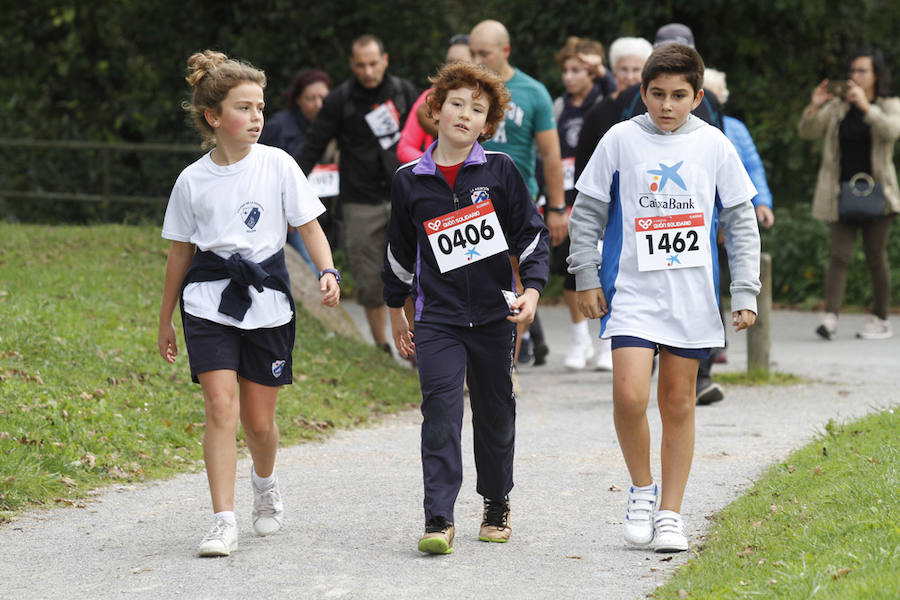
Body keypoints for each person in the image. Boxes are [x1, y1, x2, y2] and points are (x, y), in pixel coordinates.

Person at [568, 44, 760, 553]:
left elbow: (741, 221)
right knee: (629, 395)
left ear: (698, 96)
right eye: (656, 94)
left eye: (679, 95)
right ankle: (641, 489)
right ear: (641, 93)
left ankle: (671, 513)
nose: (667, 105)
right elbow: (586, 212)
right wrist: (584, 274)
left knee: (677, 403)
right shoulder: (619, 139)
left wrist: (745, 289)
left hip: (692, 298)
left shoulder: (715, 145)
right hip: (633, 293)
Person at [157, 50, 341, 557]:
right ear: (214, 117)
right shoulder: (191, 180)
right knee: (220, 407)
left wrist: (328, 270)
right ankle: (222, 520)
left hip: (267, 302)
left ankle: (265, 483)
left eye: (260, 107)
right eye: (244, 108)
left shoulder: (279, 165)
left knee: (259, 423)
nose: (257, 117)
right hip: (207, 301)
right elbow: (180, 252)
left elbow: (308, 227)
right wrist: (165, 319)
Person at [383, 62, 549, 554]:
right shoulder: (410, 180)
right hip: (438, 319)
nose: (464, 114)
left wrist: (534, 292)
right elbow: (396, 252)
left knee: (496, 412)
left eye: (477, 110)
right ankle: (438, 519)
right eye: (456, 103)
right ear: (434, 109)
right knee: (440, 411)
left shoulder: (500, 170)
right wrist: (398, 311)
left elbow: (532, 235)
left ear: (487, 125)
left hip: (495, 319)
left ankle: (496, 502)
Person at [297, 34, 418, 353]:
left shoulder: (404, 93)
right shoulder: (340, 99)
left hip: (405, 196)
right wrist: (288, 187)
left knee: (414, 274)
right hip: (359, 200)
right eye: (361, 65)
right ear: (352, 65)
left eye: (373, 63)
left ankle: (417, 347)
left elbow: (426, 139)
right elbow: (313, 145)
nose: (367, 71)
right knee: (369, 280)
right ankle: (381, 348)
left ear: (385, 60)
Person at [469, 19, 565, 367]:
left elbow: (551, 154)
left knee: (516, 274)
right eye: (473, 53)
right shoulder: (467, 91)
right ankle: (478, 355)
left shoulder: (532, 92)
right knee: (474, 276)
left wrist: (557, 207)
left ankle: (506, 356)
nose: (478, 60)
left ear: (505, 51)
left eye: (485, 53)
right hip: (470, 201)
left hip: (516, 201)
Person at [798, 48, 900, 340]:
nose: (854, 76)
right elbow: (807, 131)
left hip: (879, 194)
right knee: (838, 256)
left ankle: (881, 318)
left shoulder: (889, 104)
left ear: (876, 76)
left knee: (875, 257)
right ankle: (831, 317)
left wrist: (867, 107)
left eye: (862, 71)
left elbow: (892, 131)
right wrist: (815, 106)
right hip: (840, 194)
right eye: (852, 71)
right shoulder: (838, 107)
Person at [547, 36, 618, 371]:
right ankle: (579, 339)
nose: (570, 77)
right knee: (569, 267)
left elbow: (620, 92)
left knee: (606, 266)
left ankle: (608, 340)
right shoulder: (559, 107)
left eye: (579, 70)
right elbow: (545, 152)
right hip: (565, 193)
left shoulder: (604, 100)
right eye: (567, 70)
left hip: (599, 192)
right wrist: (553, 202)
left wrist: (601, 72)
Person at [259, 69, 337, 273]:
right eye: (311, 98)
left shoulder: (336, 125)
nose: (318, 104)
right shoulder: (279, 126)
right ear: (298, 100)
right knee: (313, 264)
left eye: (323, 97)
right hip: (293, 209)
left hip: (328, 208)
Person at [397, 34, 473, 163]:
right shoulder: (430, 97)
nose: (452, 69)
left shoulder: (485, 102)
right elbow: (405, 148)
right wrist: (433, 165)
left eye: (461, 64)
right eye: (449, 63)